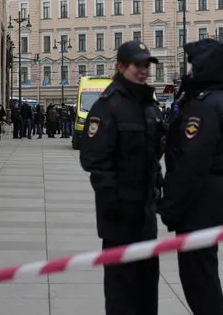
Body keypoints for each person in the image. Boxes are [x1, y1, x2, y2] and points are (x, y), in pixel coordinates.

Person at [158, 38, 223, 315]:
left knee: (198, 276)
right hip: (217, 194)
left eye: (193, 65)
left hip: (201, 197)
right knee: (204, 270)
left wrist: (170, 206)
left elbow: (191, 162)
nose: (189, 71)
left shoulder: (204, 106)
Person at [80, 40, 165, 315]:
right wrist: (113, 202)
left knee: (147, 287)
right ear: (120, 67)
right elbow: (93, 160)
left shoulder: (148, 104)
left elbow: (154, 154)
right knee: (121, 291)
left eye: (146, 66)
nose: (143, 71)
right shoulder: (108, 106)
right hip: (118, 217)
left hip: (145, 214)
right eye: (137, 65)